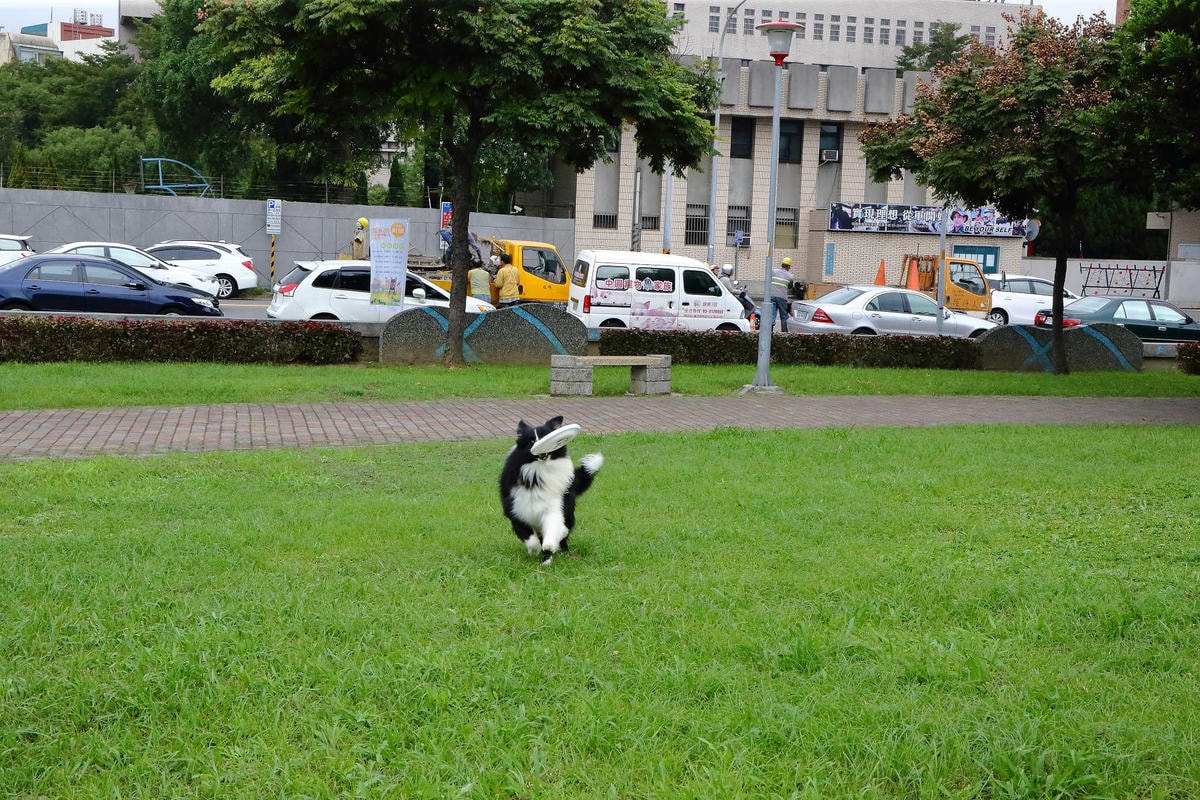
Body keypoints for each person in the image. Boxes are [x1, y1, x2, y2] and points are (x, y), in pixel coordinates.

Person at [770, 256, 795, 333]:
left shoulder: (773, 271)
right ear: (788, 266)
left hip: (772, 295)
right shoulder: (790, 276)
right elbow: (790, 287)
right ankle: (784, 333)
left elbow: (769, 279)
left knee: (772, 314)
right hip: (782, 297)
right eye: (789, 267)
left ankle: (769, 331)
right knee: (784, 315)